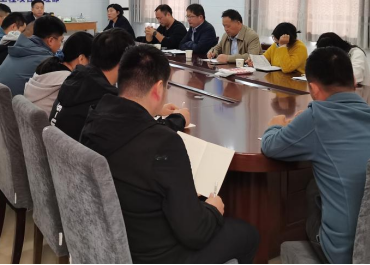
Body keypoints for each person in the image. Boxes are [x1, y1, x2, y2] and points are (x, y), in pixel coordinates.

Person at [81, 45, 259, 264]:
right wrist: (213, 210)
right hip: (157, 255)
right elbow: (195, 233)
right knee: (247, 235)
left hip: (112, 241)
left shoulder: (95, 118)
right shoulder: (163, 142)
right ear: (158, 88)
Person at [261, 47, 370, 264]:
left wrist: (274, 126)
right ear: (354, 81)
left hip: (344, 253)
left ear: (313, 88)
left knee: (314, 187)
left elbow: (270, 146)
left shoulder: (317, 117)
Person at [50, 28, 135, 140]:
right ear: (123, 63)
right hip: (78, 150)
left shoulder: (76, 78)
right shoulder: (107, 99)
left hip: (57, 148)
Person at [0, 15, 67, 96]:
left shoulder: (19, 49)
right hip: (15, 103)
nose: (60, 45)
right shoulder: (45, 61)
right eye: (61, 40)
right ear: (50, 41)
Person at [24, 31, 94, 117]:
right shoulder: (69, 82)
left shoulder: (47, 67)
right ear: (81, 59)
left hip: (31, 122)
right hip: (47, 124)